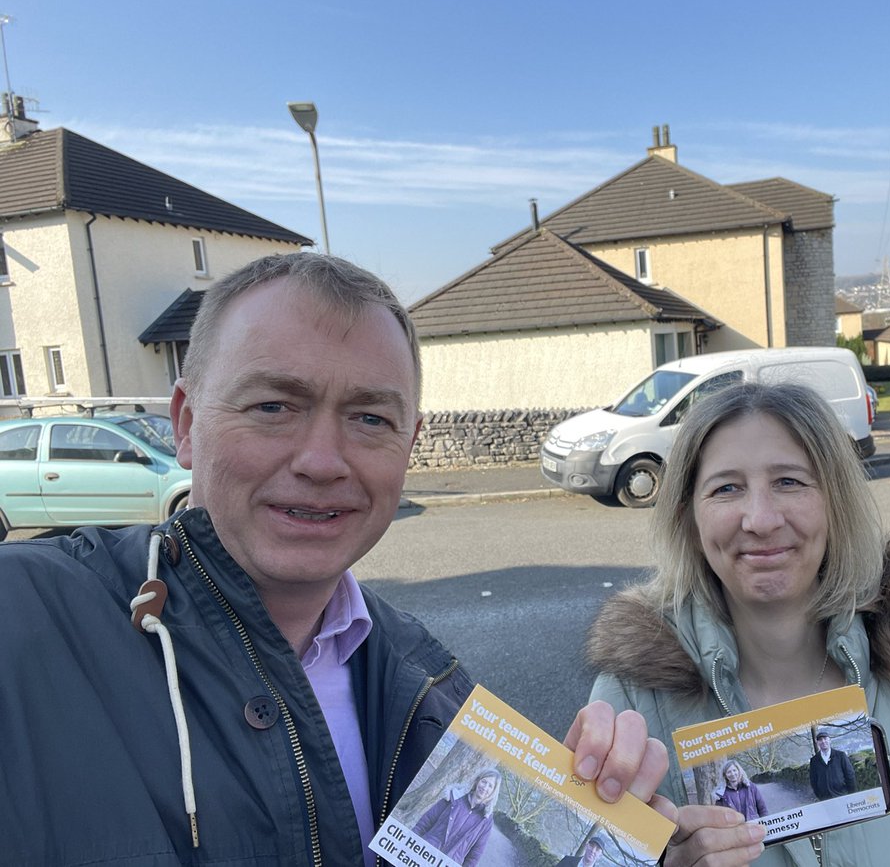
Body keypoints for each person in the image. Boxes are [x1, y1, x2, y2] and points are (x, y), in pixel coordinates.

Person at [0, 252, 670, 867]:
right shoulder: (23, 617)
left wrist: (610, 840)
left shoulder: (434, 693)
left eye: (370, 419)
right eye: (273, 406)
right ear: (185, 423)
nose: (322, 461)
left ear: (408, 447)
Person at [588, 381, 890, 866]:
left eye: (789, 481)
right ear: (689, 518)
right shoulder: (631, 703)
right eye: (726, 488)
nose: (761, 519)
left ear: (836, 501)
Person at [412, 769, 500, 867]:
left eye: (490, 786)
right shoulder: (454, 797)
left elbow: (475, 855)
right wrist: (410, 841)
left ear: (493, 792)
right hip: (424, 851)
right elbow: (426, 821)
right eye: (484, 782)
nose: (485, 787)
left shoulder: (486, 821)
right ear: (477, 781)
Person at [808, 733, 856, 801]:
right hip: (825, 799)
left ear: (829, 740)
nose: (823, 741)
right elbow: (813, 780)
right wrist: (820, 796)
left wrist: (851, 794)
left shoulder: (840, 755)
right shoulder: (814, 760)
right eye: (820, 740)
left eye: (825, 739)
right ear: (817, 742)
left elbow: (850, 775)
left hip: (842, 795)